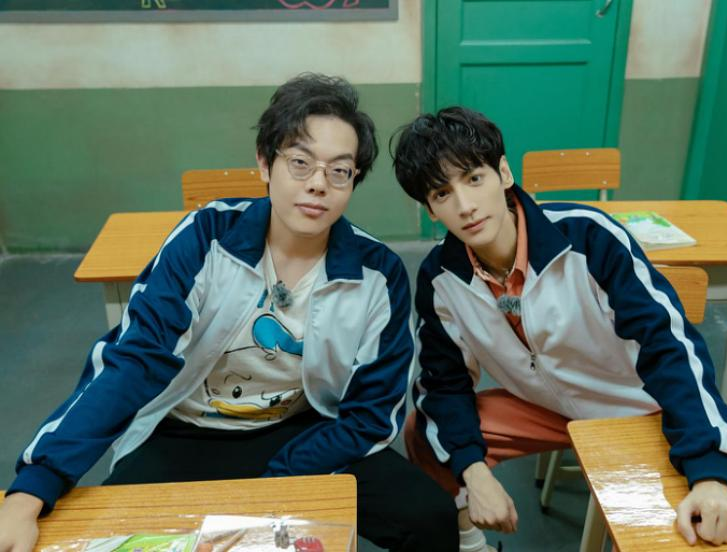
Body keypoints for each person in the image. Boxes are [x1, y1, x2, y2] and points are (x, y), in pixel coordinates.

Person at [0, 74, 457, 552]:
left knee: (430, 518)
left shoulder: (377, 273)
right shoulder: (206, 239)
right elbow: (135, 362)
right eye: (300, 163)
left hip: (304, 432)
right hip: (187, 432)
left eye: (339, 171)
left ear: (352, 181)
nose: (318, 184)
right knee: (114, 540)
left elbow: (371, 415)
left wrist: (277, 479)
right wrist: (32, 489)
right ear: (265, 162)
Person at [391, 106, 727, 551]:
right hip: (542, 407)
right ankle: (471, 543)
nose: (465, 206)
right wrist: (474, 472)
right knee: (424, 433)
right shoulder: (440, 277)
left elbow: (667, 345)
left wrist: (710, 472)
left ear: (504, 173)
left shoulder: (588, 237)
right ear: (430, 208)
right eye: (442, 193)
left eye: (474, 179)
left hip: (634, 405)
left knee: (679, 527)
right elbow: (443, 383)